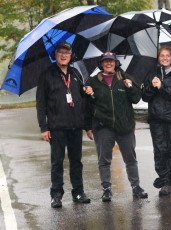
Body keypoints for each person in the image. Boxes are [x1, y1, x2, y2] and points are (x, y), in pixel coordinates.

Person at [85, 52, 148, 202]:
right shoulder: (93, 82)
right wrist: (88, 126)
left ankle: (136, 187)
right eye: (105, 61)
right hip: (103, 127)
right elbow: (87, 106)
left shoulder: (125, 78)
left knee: (130, 159)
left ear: (116, 63)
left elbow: (136, 98)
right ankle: (106, 189)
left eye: (111, 61)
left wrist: (130, 86)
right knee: (104, 160)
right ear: (101, 64)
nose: (108, 64)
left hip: (124, 126)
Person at [36, 41, 92, 208]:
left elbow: (83, 99)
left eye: (66, 53)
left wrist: (88, 92)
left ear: (70, 55)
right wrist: (43, 127)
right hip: (57, 127)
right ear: (55, 55)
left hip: (75, 125)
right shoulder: (47, 75)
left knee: (77, 162)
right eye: (60, 52)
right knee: (57, 162)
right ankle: (56, 195)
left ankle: (78, 192)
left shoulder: (75, 73)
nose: (63, 55)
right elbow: (41, 104)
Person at [141, 46, 171, 196]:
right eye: (161, 55)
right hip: (156, 120)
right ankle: (165, 182)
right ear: (158, 57)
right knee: (160, 152)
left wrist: (162, 86)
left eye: (167, 56)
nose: (164, 58)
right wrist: (152, 85)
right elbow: (144, 96)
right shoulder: (152, 73)